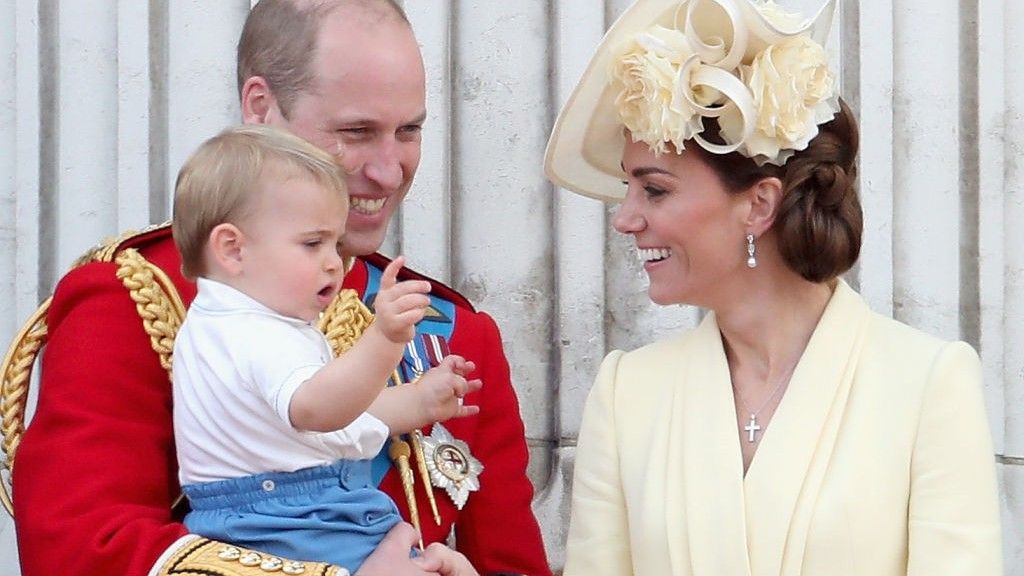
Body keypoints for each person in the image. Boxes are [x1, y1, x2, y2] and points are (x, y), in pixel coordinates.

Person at [12, 1, 550, 575]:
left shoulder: (452, 330)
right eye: (356, 131)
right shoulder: (136, 302)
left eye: (409, 130)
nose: (390, 171)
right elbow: (79, 554)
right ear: (261, 108)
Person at [543, 0, 1003, 575]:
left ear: (759, 203)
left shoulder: (928, 384)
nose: (625, 219)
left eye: (654, 190)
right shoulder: (626, 393)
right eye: (629, 189)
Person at [169, 125, 481, 572]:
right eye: (312, 243)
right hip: (292, 518)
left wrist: (419, 400)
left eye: (335, 243)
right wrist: (384, 340)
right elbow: (318, 410)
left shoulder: (225, 320)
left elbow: (329, 421)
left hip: (276, 511)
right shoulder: (255, 332)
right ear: (232, 249)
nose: (335, 261)